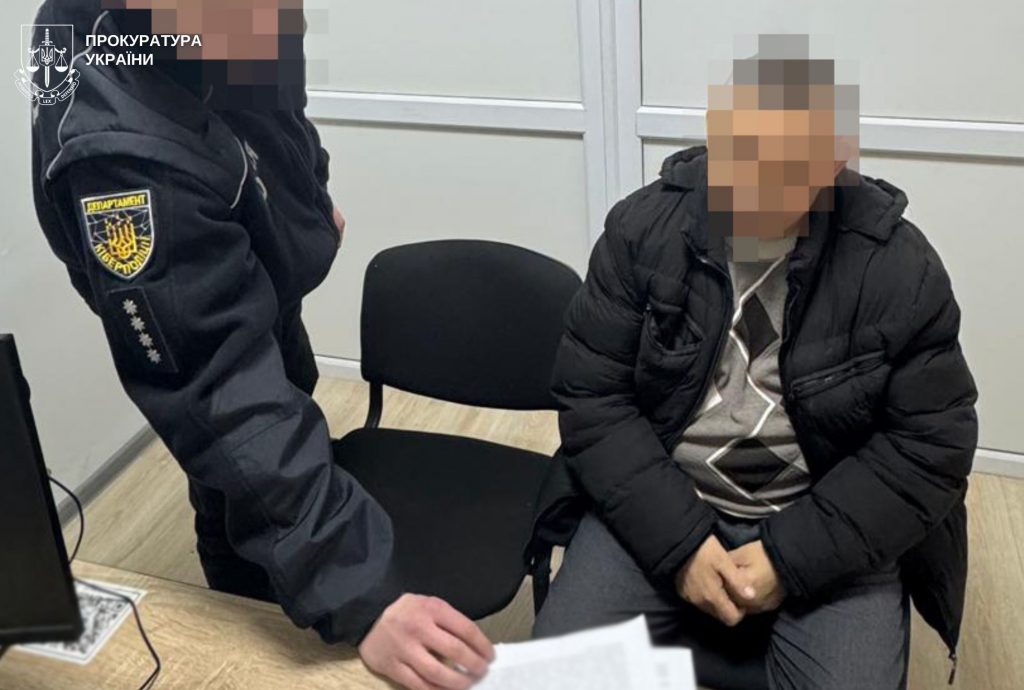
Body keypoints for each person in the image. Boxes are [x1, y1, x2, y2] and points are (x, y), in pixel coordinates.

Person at [30, 3, 492, 689]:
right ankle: (254, 610)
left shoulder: (236, 23)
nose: (281, 16)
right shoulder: (125, 153)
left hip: (221, 207)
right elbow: (221, 390)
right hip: (174, 259)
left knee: (280, 401)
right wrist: (359, 589)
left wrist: (304, 189)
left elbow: (274, 87)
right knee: (237, 447)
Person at [530, 34, 978, 689]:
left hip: (824, 517)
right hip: (659, 498)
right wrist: (681, 544)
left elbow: (930, 446)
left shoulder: (897, 267)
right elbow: (594, 397)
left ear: (835, 161)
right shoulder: (641, 231)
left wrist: (788, 559)